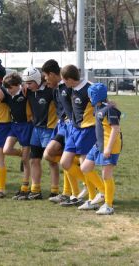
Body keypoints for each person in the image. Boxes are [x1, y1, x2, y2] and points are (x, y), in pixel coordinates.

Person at [60, 65, 106, 210]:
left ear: (69, 79)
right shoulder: (70, 88)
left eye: (64, 80)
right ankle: (94, 188)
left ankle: (94, 197)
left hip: (87, 130)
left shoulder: (90, 88)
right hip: (75, 130)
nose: (63, 83)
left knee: (85, 164)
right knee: (65, 162)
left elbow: (103, 103)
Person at [41, 59, 85, 206]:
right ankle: (74, 188)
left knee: (64, 159)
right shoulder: (57, 88)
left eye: (46, 77)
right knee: (49, 154)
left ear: (53, 74)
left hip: (72, 127)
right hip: (62, 127)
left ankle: (72, 192)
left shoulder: (69, 86)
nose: (45, 80)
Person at [81, 83, 122, 215]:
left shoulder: (109, 109)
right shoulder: (97, 107)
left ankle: (108, 205)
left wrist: (108, 148)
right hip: (98, 145)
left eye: (90, 95)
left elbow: (116, 129)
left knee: (106, 174)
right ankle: (102, 193)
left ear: (95, 96)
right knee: (85, 168)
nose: (88, 97)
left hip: (110, 146)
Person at [22, 67, 59, 200]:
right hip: (36, 130)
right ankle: (35, 190)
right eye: (25, 83)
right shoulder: (29, 91)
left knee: (52, 161)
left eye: (30, 83)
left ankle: (55, 191)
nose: (27, 85)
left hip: (49, 130)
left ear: (38, 80)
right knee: (34, 160)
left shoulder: (50, 91)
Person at [1, 73, 33, 200]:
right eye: (7, 88)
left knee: (25, 161)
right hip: (14, 126)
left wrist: (26, 85)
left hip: (26, 126)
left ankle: (25, 187)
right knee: (6, 150)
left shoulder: (25, 93)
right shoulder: (8, 95)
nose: (9, 90)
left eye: (11, 88)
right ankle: (23, 154)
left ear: (18, 85)